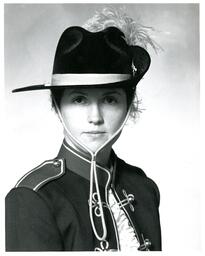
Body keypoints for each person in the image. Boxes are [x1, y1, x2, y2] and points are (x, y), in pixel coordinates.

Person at [5, 8, 161, 251]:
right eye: (79, 100)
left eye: (110, 100)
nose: (95, 117)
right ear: (57, 106)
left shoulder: (144, 187)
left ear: (129, 105)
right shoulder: (32, 197)